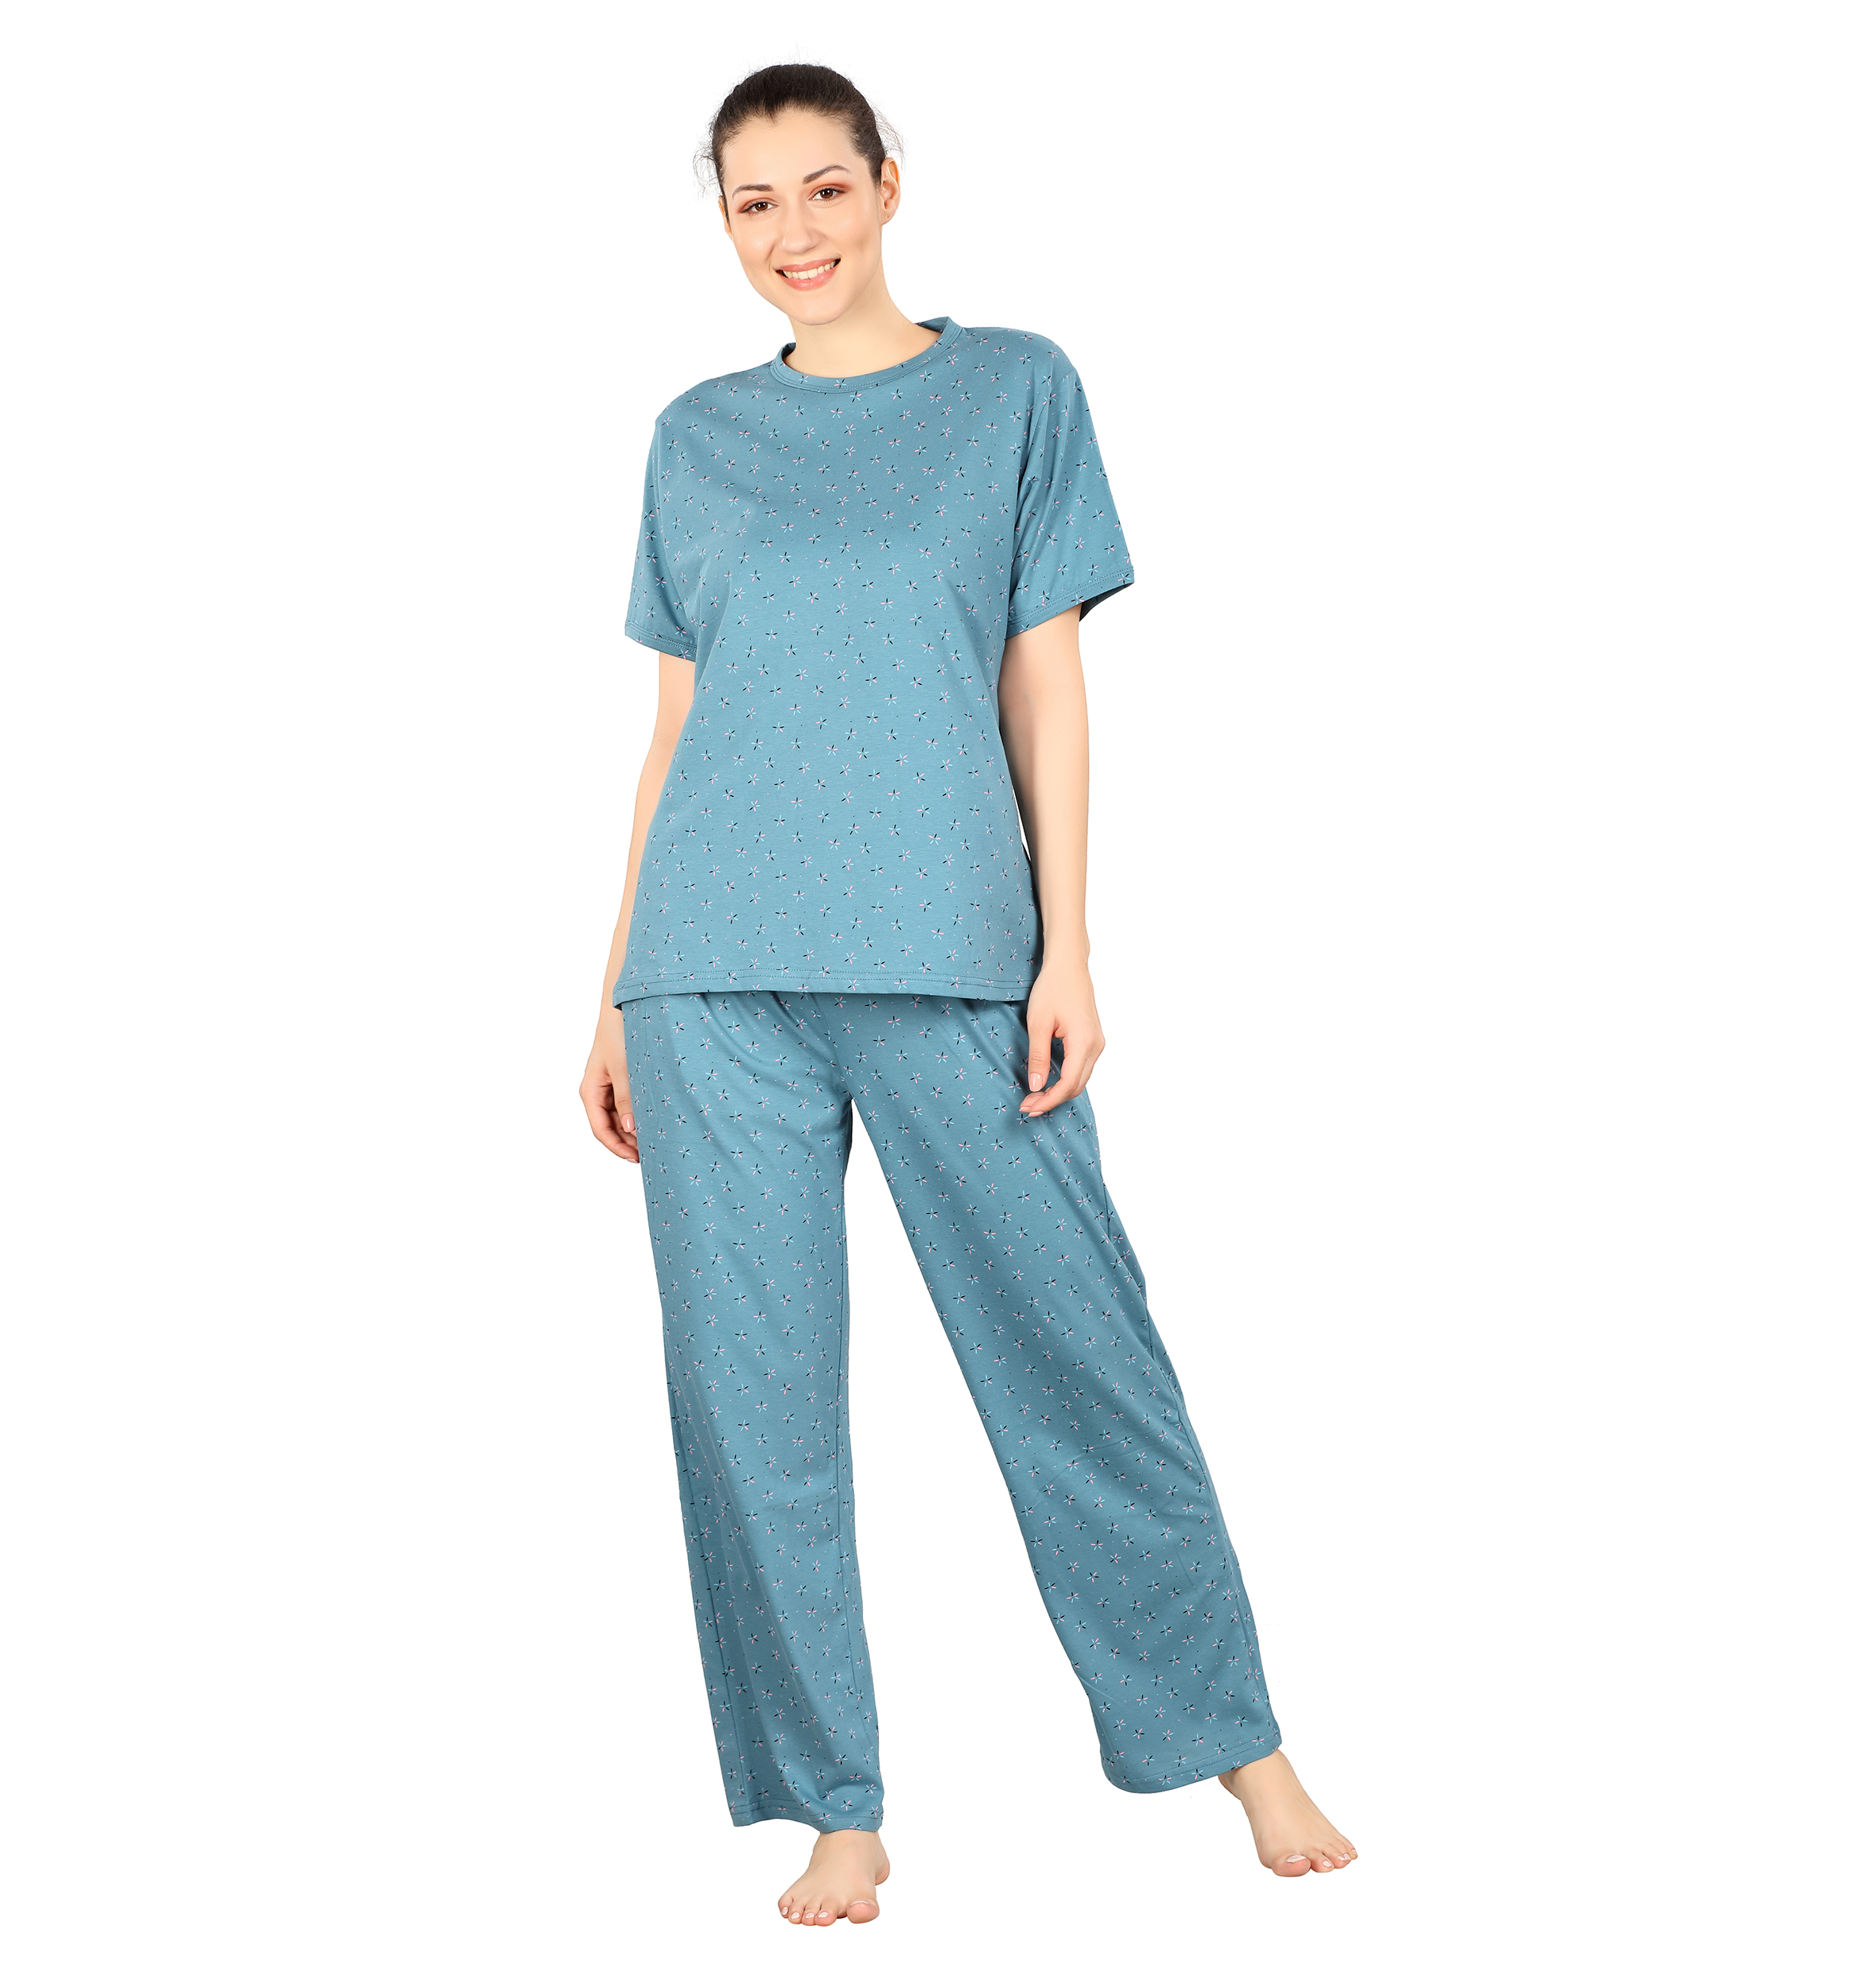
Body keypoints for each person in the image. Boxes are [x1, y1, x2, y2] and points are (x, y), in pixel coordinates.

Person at [578, 62, 1356, 1927]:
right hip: (708, 973)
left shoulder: (1012, 388)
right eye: (753, 202)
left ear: (887, 186)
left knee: (1079, 1357)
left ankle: (1235, 1741)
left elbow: (1043, 675)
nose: (793, 231)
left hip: (946, 951)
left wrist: (1063, 943)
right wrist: (610, 990)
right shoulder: (693, 436)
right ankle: (832, 1806)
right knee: (751, 1403)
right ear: (722, 222)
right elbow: (675, 725)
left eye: (822, 188)